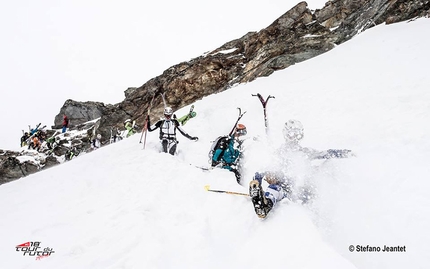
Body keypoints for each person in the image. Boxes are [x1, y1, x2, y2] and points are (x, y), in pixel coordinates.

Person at [278, 119, 353, 159]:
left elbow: (324, 154)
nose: (294, 138)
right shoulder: (279, 154)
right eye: (291, 134)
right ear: (286, 134)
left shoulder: (305, 152)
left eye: (297, 134)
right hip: (284, 186)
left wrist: (345, 153)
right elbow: (269, 170)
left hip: (304, 186)